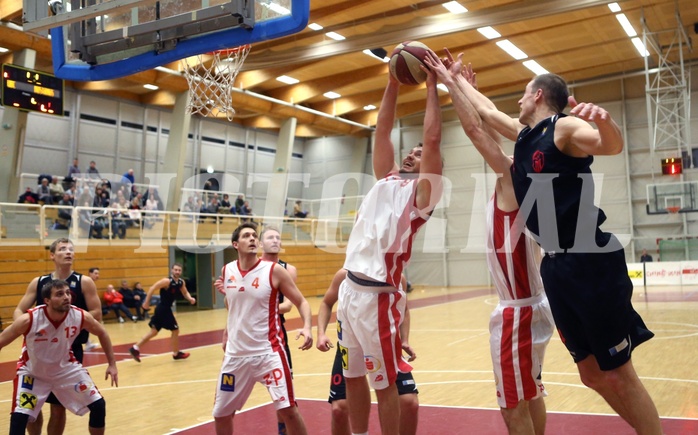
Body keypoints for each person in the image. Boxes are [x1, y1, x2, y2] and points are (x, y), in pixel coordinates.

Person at [454, 55, 661, 434]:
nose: (517, 103)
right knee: (592, 375)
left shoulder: (563, 127)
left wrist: (604, 120)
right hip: (555, 267)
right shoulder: (524, 137)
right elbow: (484, 111)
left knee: (620, 373)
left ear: (537, 95)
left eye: (521, 95)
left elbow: (607, 145)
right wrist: (453, 80)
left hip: (589, 260)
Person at [425, 51, 555, 434]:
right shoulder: (534, 175)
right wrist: (468, 93)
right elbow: (485, 122)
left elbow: (477, 131)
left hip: (518, 311)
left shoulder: (515, 178)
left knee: (512, 404)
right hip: (534, 304)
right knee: (531, 392)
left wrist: (450, 84)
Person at [336, 62, 442, 435]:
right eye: (408, 151)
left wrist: (431, 86)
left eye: (418, 153)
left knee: (385, 384)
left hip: (379, 298)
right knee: (352, 376)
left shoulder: (423, 196)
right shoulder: (387, 178)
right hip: (349, 291)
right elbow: (381, 130)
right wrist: (393, 84)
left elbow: (431, 141)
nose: (413, 153)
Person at [212, 222, 313, 435]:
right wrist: (226, 333)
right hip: (235, 357)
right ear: (235, 244)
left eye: (254, 236)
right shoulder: (227, 270)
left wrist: (307, 327)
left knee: (289, 411)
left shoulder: (274, 271)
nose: (252, 239)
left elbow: (301, 302)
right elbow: (232, 306)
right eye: (246, 236)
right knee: (220, 413)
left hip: (268, 354)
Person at [1, 279, 118, 435]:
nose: (66, 297)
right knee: (19, 418)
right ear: (47, 300)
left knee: (98, 406)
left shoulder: (79, 315)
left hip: (65, 370)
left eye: (68, 293)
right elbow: (1, 340)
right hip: (32, 373)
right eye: (60, 294)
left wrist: (112, 364)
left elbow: (102, 332)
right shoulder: (29, 320)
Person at [13, 238, 102, 435]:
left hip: (68, 351)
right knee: (30, 407)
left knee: (58, 406)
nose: (68, 252)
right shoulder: (39, 282)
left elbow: (96, 313)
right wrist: (24, 328)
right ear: (52, 255)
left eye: (71, 249)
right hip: (38, 352)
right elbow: (18, 310)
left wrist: (67, 325)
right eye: (63, 249)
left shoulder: (84, 282)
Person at [317, 269, 419, 435]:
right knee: (339, 408)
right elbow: (326, 303)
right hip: (351, 339)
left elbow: (404, 310)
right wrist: (321, 333)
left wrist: (405, 339)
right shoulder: (344, 276)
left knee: (409, 402)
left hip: (383, 339)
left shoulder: (396, 276)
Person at [259, 225, 299, 435]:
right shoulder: (250, 268)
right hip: (248, 337)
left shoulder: (288, 270)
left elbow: (289, 305)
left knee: (283, 395)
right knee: (226, 400)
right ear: (260, 243)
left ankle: (283, 432)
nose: (275, 240)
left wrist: (259, 307)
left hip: (276, 335)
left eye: (278, 238)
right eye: (270, 237)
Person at [129, 264, 196, 362]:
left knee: (154, 331)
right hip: (163, 309)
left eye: (179, 270)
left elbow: (185, 292)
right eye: (176, 270)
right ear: (172, 270)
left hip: (163, 309)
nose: (177, 272)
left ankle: (135, 348)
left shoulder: (181, 282)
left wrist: (190, 298)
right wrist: (146, 302)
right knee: (175, 330)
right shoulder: (167, 281)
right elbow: (152, 288)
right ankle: (176, 353)